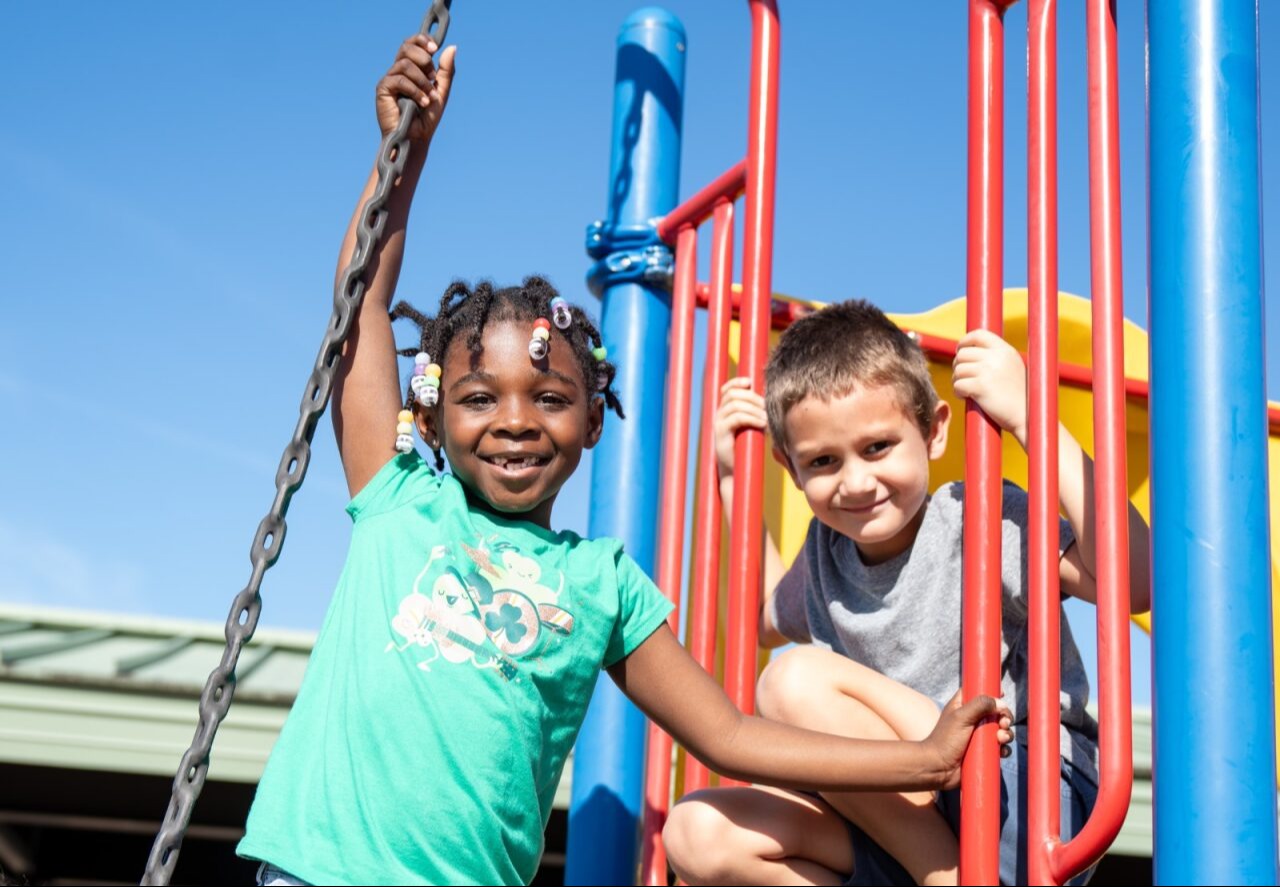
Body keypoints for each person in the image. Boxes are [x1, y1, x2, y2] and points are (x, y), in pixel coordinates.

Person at [234, 38, 1012, 887]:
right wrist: (405, 151)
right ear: (432, 413)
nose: (516, 422)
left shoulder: (601, 583)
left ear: (595, 421)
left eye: (551, 398)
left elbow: (729, 734)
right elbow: (363, 305)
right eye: (480, 398)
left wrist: (924, 761)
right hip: (318, 870)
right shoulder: (399, 498)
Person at [663, 299, 1152, 886]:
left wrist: (1031, 418)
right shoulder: (826, 553)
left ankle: (948, 877)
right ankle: (941, 872)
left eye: (877, 447)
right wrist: (733, 478)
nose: (856, 481)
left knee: (792, 682)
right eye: (822, 461)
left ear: (934, 431)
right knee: (695, 833)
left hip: (1020, 790)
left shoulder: (977, 519)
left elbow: (1136, 582)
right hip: (901, 815)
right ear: (790, 470)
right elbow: (763, 614)